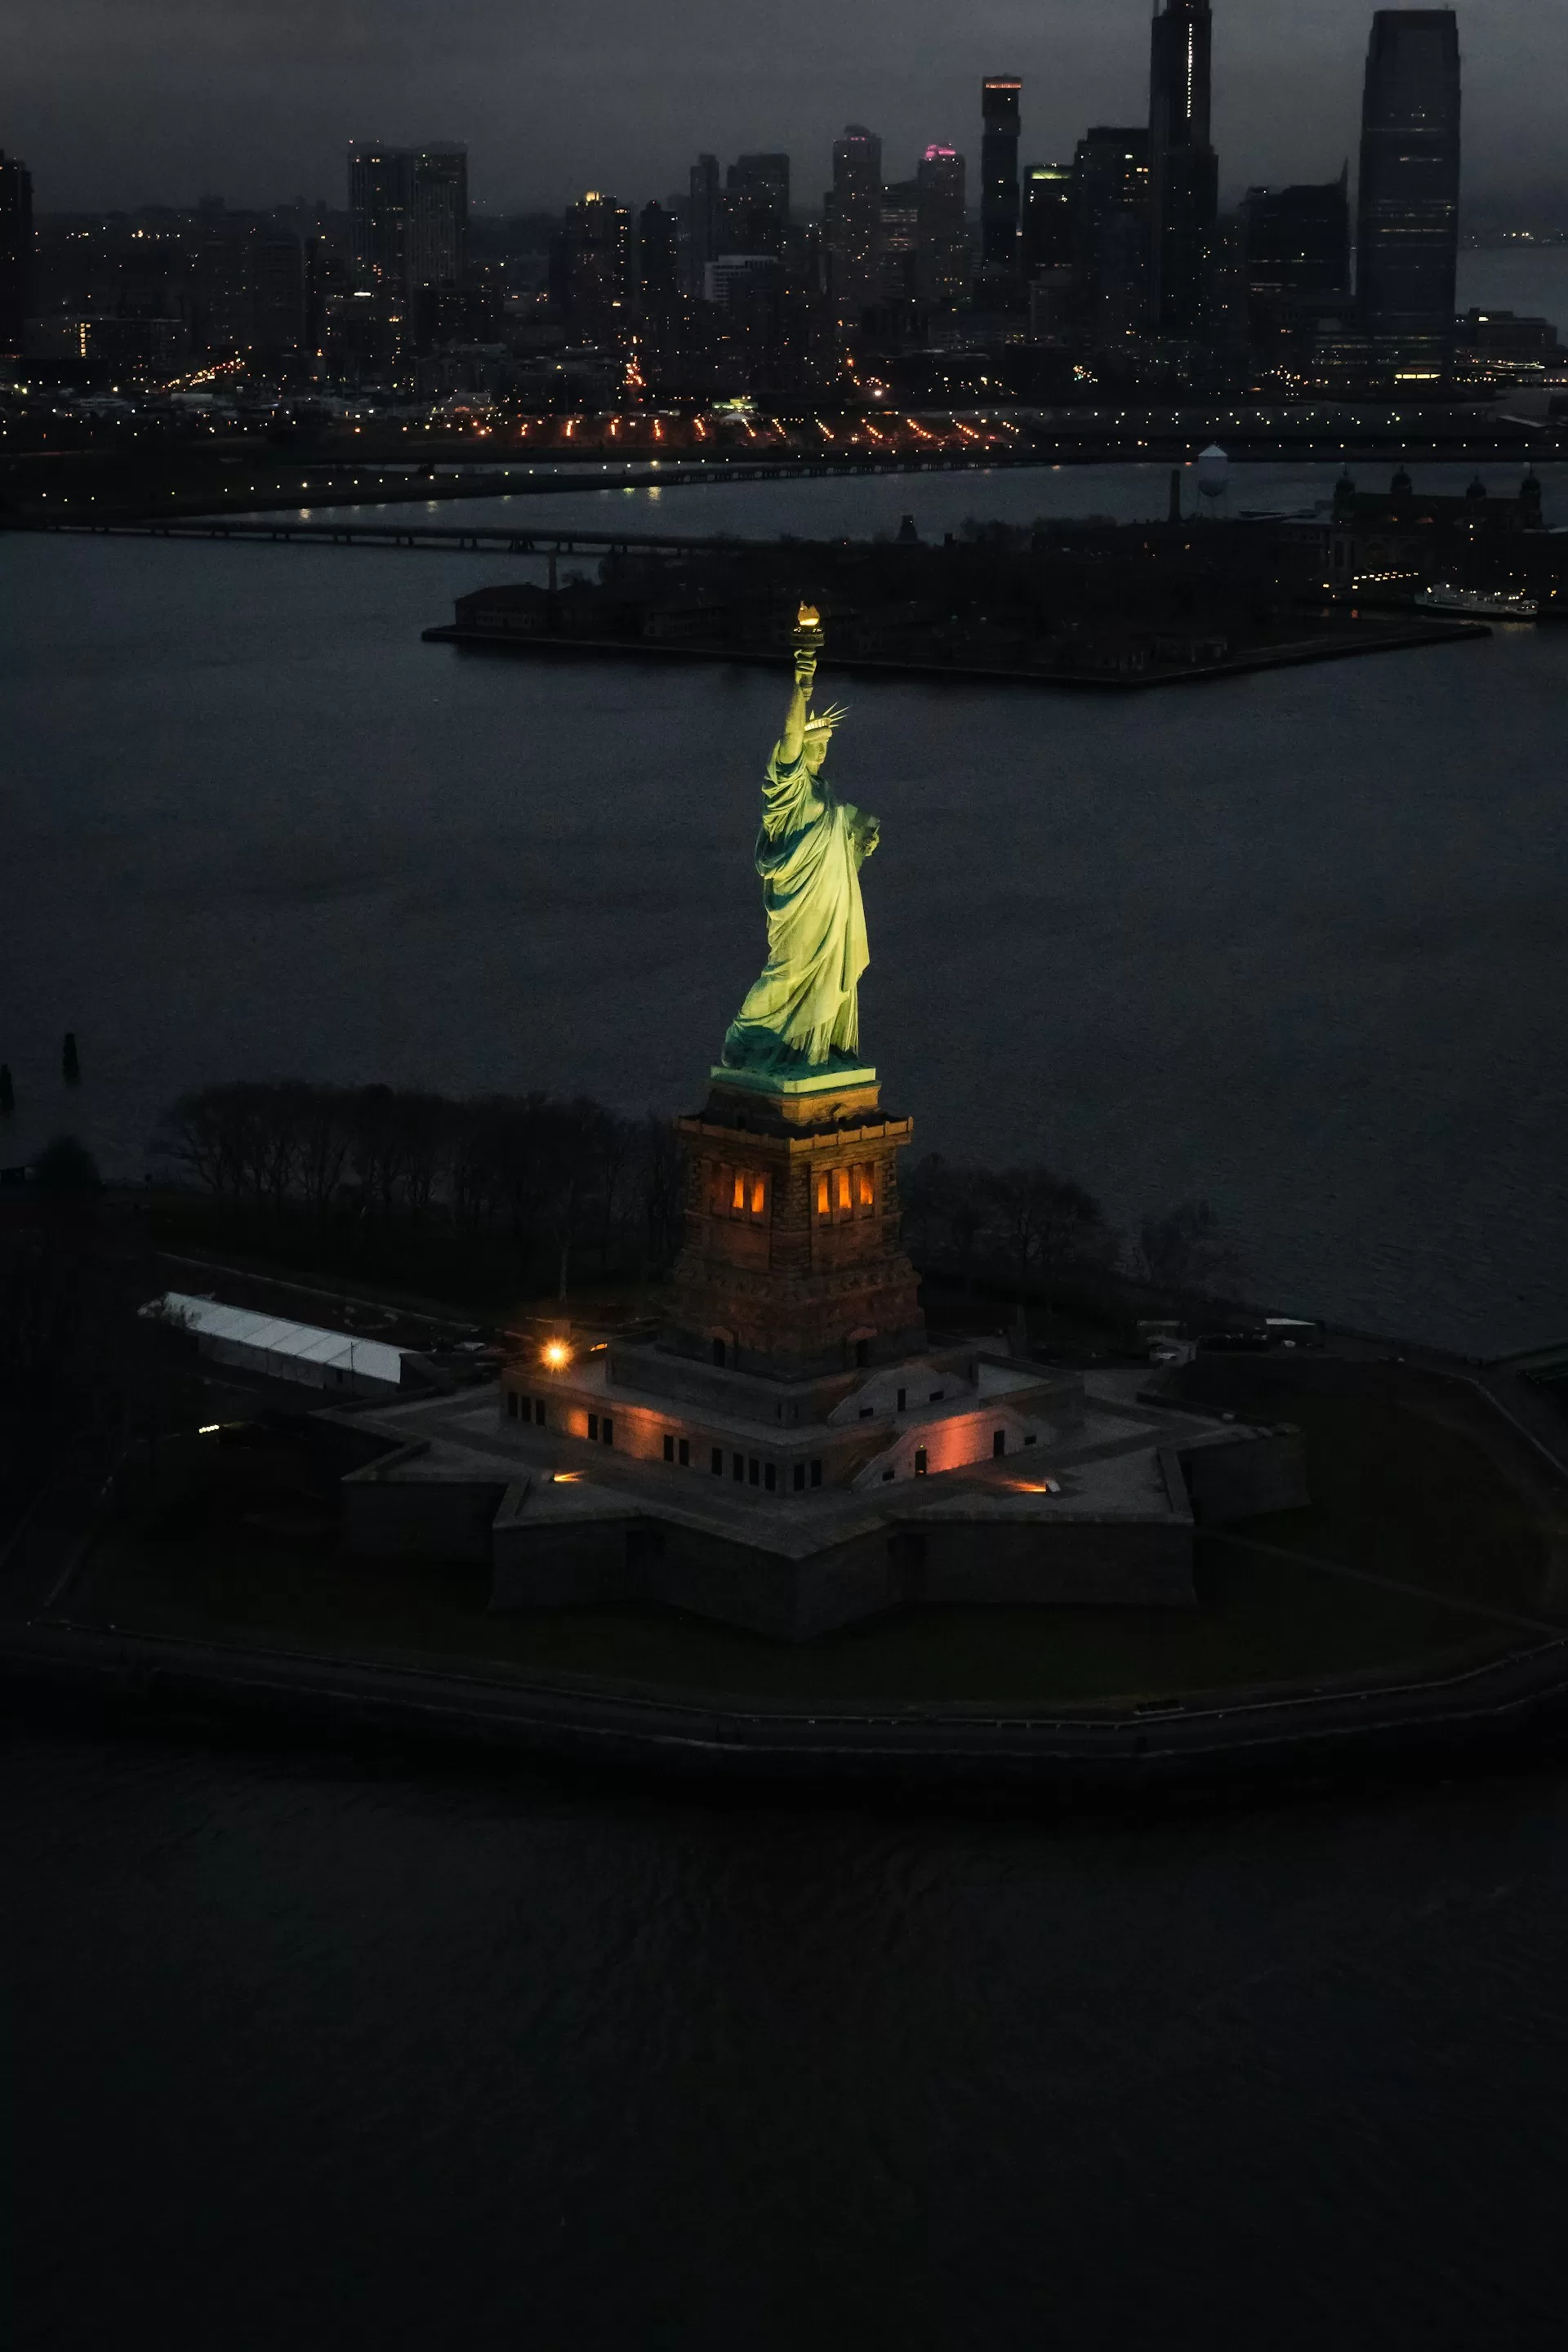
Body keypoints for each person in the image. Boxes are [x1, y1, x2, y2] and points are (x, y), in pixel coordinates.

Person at [721, 608, 880, 1077]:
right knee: (786, 973)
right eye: (817, 743)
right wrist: (802, 684)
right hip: (798, 906)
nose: (822, 750)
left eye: (826, 744)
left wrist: (859, 843)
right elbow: (791, 737)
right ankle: (745, 1034)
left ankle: (819, 1050)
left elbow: (840, 845)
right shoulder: (785, 788)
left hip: (830, 904)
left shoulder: (827, 794)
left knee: (831, 977)